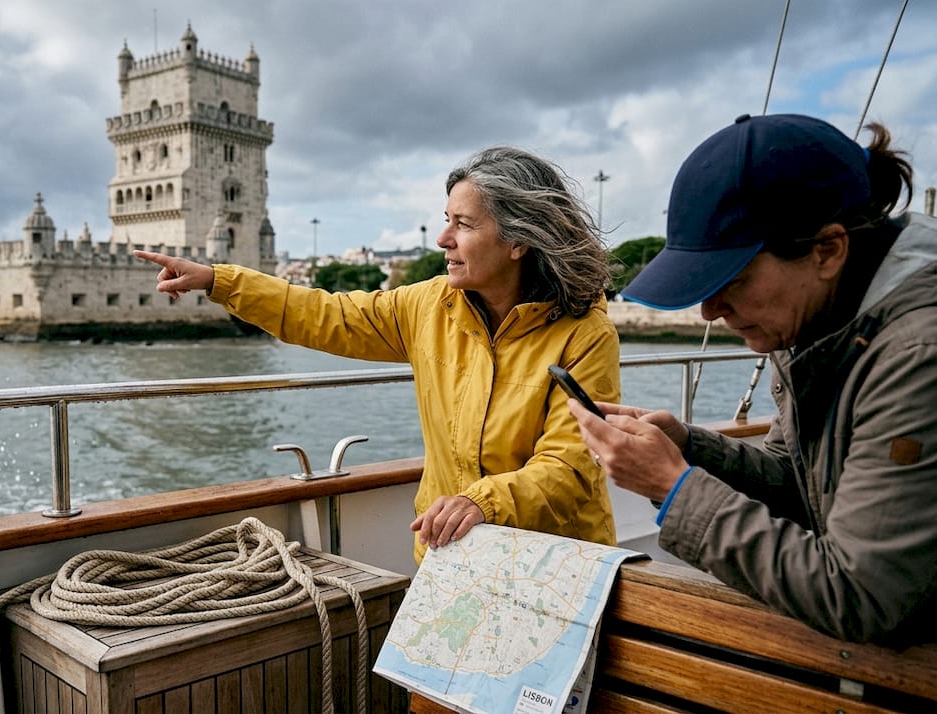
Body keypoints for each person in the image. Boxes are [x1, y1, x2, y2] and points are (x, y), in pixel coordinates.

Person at [135, 146, 621, 564]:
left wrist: (481, 503)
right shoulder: (429, 305)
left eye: (463, 225)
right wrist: (220, 280)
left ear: (518, 240)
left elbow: (570, 465)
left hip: (554, 562)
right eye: (445, 220)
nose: (443, 239)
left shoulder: (585, 333)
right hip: (453, 552)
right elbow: (327, 315)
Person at [571, 113, 937, 645]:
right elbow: (798, 481)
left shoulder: (917, 354)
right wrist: (691, 449)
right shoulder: (816, 320)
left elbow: (860, 594)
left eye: (731, 280)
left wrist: (672, 487)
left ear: (827, 250)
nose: (708, 311)